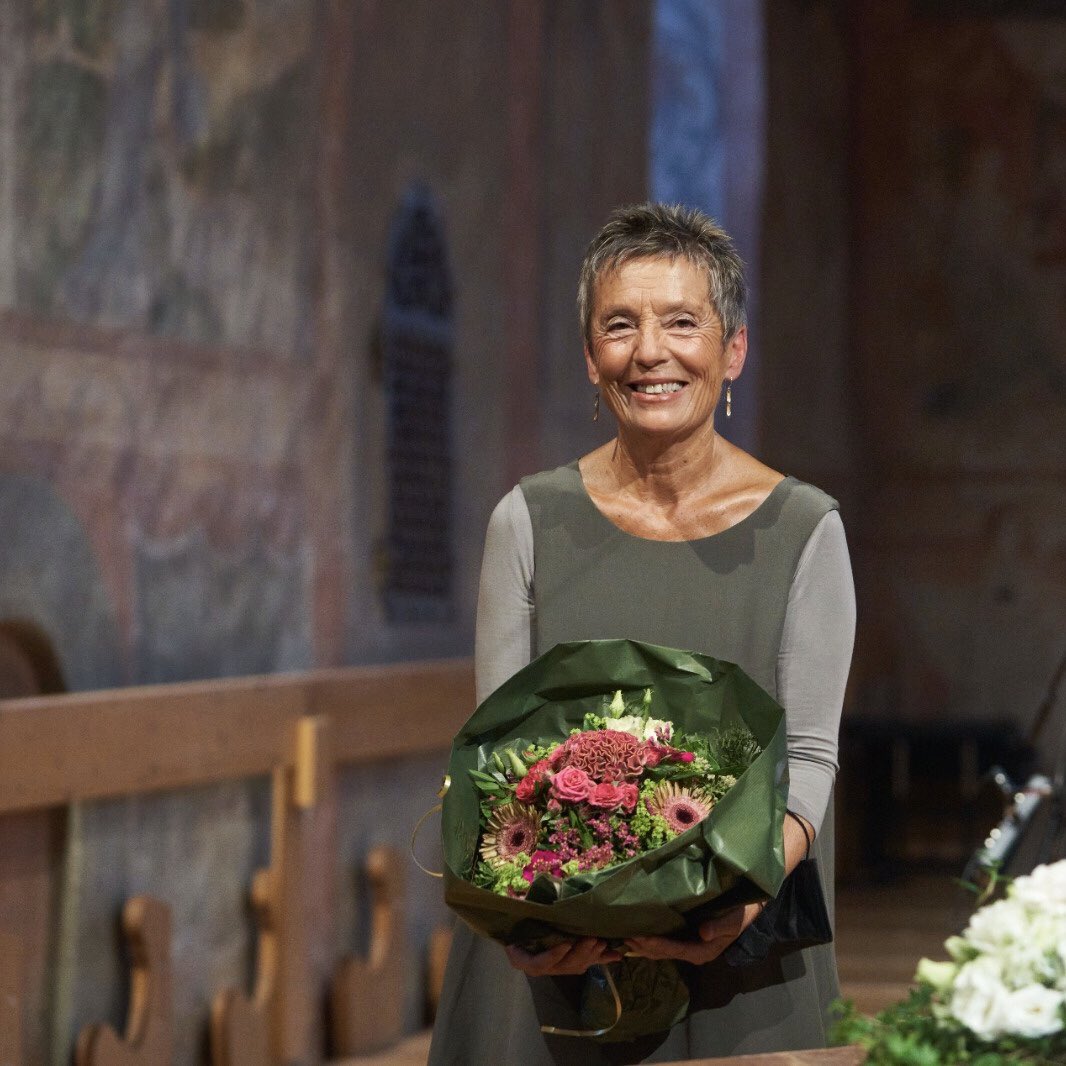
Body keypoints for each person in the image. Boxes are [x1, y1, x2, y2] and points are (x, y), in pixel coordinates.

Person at [429, 203, 855, 1065]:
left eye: (682, 323)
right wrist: (528, 914)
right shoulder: (527, 521)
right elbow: (495, 761)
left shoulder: (804, 530)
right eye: (619, 325)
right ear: (592, 358)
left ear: (734, 350)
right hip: (554, 956)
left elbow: (810, 761)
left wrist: (736, 901)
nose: (650, 351)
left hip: (740, 956)